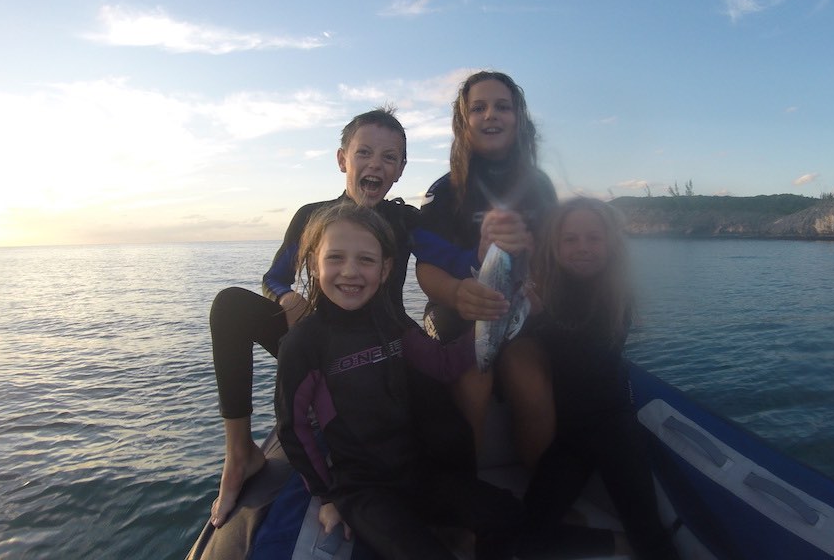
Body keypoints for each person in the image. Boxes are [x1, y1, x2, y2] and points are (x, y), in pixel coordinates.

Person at [207, 107, 418, 527]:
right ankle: (240, 454)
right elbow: (273, 278)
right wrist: (286, 297)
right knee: (229, 305)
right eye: (364, 153)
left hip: (383, 346)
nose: (375, 164)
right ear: (343, 159)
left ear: (400, 170)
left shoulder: (407, 219)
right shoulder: (311, 216)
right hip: (321, 343)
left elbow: (453, 253)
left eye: (389, 157)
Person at [275, 202, 522, 560]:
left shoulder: (391, 323)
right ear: (314, 263)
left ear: (386, 269)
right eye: (336, 258)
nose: (350, 271)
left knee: (509, 515)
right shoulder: (304, 343)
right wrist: (326, 495)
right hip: (362, 490)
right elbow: (293, 427)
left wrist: (493, 319)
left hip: (418, 472)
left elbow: (444, 364)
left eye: (366, 260)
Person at [518, 197, 677, 559]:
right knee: (527, 538)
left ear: (610, 244)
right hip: (569, 435)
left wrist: (539, 317)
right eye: (570, 239)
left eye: (593, 238)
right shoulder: (548, 289)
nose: (583, 247)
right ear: (556, 247)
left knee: (650, 535)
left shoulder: (616, 295)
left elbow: (586, 350)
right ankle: (612, 544)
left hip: (613, 428)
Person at [413, 70, 558, 466]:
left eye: (502, 107)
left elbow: (553, 259)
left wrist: (538, 281)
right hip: (455, 312)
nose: (490, 115)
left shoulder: (540, 188)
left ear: (519, 119)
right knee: (472, 383)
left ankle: (539, 490)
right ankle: (467, 492)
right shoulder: (444, 191)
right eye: (478, 108)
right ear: (463, 123)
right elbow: (426, 268)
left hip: (518, 310)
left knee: (531, 383)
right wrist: (458, 293)